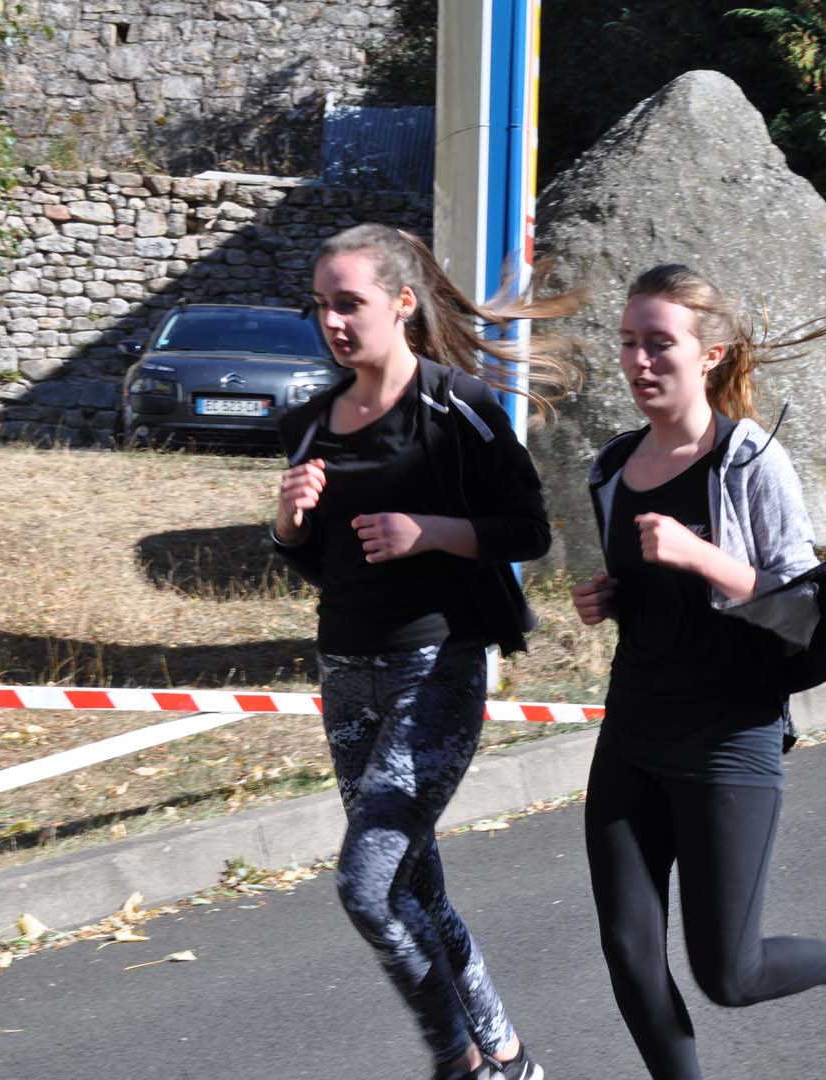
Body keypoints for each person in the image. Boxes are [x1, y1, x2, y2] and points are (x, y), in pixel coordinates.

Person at [569, 264, 826, 1078]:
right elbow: (662, 600)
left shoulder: (749, 460)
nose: (639, 362)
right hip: (633, 735)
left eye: (660, 345)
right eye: (628, 344)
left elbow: (802, 610)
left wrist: (700, 557)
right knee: (630, 954)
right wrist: (611, 598)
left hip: (730, 741)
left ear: (711, 354)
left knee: (730, 973)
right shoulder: (611, 468)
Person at [272, 223, 576, 1080]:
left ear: (402, 304)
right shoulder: (309, 424)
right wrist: (288, 518)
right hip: (346, 672)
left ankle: (460, 1062)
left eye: (349, 304)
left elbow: (529, 529)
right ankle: (509, 1059)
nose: (333, 322)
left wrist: (429, 532)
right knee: (415, 887)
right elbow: (309, 562)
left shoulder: (458, 407)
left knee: (368, 887)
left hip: (436, 669)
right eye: (322, 307)